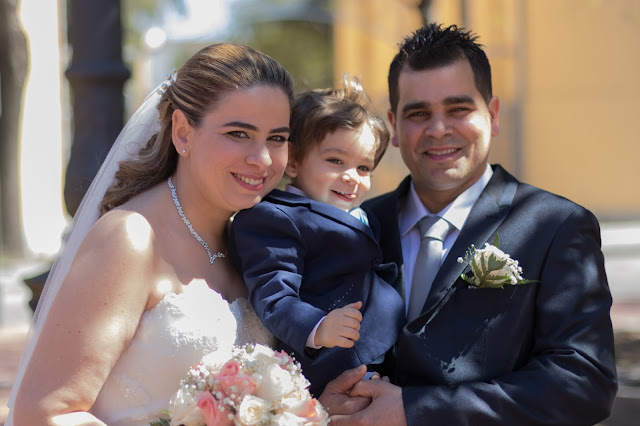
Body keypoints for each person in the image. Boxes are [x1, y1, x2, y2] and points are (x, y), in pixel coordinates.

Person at [326, 23, 618, 425]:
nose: (438, 129)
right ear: (394, 126)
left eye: (458, 109)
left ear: (492, 115)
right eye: (418, 113)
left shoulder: (557, 226)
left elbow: (583, 383)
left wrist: (416, 410)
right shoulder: (353, 224)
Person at [7, 43, 295, 425]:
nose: (262, 159)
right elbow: (43, 411)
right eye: (239, 133)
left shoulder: (255, 243)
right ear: (183, 133)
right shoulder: (131, 238)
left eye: (277, 139)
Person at [228, 75, 404, 396]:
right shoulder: (275, 218)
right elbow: (274, 296)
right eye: (335, 161)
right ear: (293, 161)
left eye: (364, 168)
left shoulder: (362, 214)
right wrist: (318, 326)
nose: (352, 177)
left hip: (378, 354)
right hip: (327, 366)